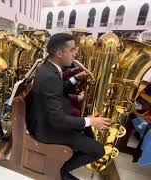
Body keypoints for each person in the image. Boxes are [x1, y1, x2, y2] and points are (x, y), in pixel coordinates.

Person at [28, 33, 111, 180]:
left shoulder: (50, 67)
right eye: (72, 50)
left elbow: (57, 90)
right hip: (47, 130)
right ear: (59, 53)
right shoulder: (49, 75)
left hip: (48, 121)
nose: (76, 53)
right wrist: (90, 121)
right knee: (99, 150)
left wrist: (75, 78)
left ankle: (77, 148)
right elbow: (57, 119)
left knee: (87, 130)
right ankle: (61, 170)